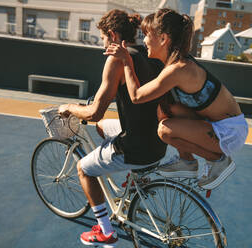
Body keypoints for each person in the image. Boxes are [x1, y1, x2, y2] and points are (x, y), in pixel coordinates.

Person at [104, 8, 248, 190]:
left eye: (147, 35)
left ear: (163, 39)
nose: (144, 40)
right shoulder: (173, 64)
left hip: (230, 132)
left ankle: (218, 160)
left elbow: (137, 96)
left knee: (165, 130)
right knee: (164, 108)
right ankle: (187, 161)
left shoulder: (178, 69)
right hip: (217, 124)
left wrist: (126, 61)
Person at [58, 9, 167, 247]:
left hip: (136, 148)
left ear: (112, 34)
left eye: (103, 38)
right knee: (102, 127)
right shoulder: (152, 56)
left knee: (84, 169)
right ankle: (126, 177)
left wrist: (69, 107)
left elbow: (95, 110)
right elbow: (101, 118)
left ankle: (106, 232)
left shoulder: (116, 60)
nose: (103, 43)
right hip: (158, 144)